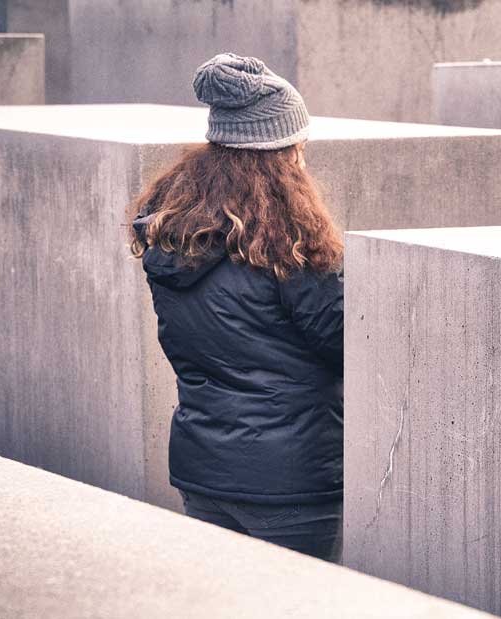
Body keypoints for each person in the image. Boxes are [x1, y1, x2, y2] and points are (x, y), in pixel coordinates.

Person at [128, 53, 344, 562]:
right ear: (281, 154)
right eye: (299, 148)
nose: (304, 161)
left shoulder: (173, 235)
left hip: (202, 471)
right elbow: (345, 345)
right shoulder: (291, 245)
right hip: (290, 480)